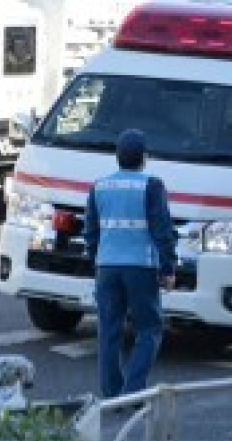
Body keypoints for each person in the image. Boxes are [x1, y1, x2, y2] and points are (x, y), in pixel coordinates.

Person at [83, 129, 177, 399]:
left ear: (117, 157)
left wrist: (96, 260)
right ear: (144, 158)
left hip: (107, 267)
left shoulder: (99, 186)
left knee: (108, 331)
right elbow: (162, 230)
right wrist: (168, 267)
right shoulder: (152, 185)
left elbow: (90, 231)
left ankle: (111, 394)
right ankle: (133, 390)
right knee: (149, 329)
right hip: (141, 267)